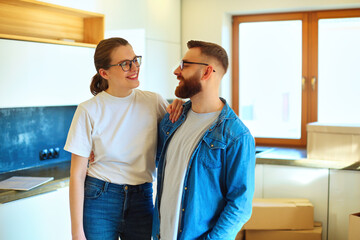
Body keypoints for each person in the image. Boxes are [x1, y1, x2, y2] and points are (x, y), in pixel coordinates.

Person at [64, 37, 182, 240]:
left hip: (142, 197)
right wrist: (77, 233)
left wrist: (179, 107)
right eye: (125, 64)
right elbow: (76, 175)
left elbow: (175, 140)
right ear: (104, 73)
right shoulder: (88, 110)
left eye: (135, 60)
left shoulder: (153, 101)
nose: (134, 67)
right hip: (100, 197)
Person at [152, 40, 256, 240]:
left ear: (207, 72)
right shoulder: (171, 121)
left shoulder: (236, 136)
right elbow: (152, 162)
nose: (176, 71)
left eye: (185, 65)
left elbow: (240, 206)